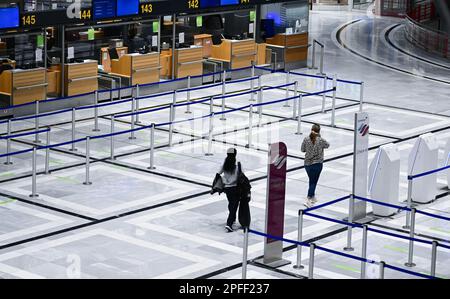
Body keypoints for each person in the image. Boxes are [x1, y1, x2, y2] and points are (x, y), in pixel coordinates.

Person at [217, 148, 251, 232]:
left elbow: (218, 173)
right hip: (236, 188)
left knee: (231, 204)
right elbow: (242, 174)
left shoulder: (225, 164)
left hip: (227, 189)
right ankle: (229, 223)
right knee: (234, 206)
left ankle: (232, 220)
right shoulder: (237, 164)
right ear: (235, 154)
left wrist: (224, 180)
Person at [301, 124, 330, 208]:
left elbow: (302, 149)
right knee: (313, 182)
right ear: (319, 131)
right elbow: (328, 145)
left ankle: (312, 196)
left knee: (311, 180)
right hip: (317, 164)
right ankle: (309, 198)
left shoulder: (306, 139)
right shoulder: (321, 140)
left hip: (307, 164)